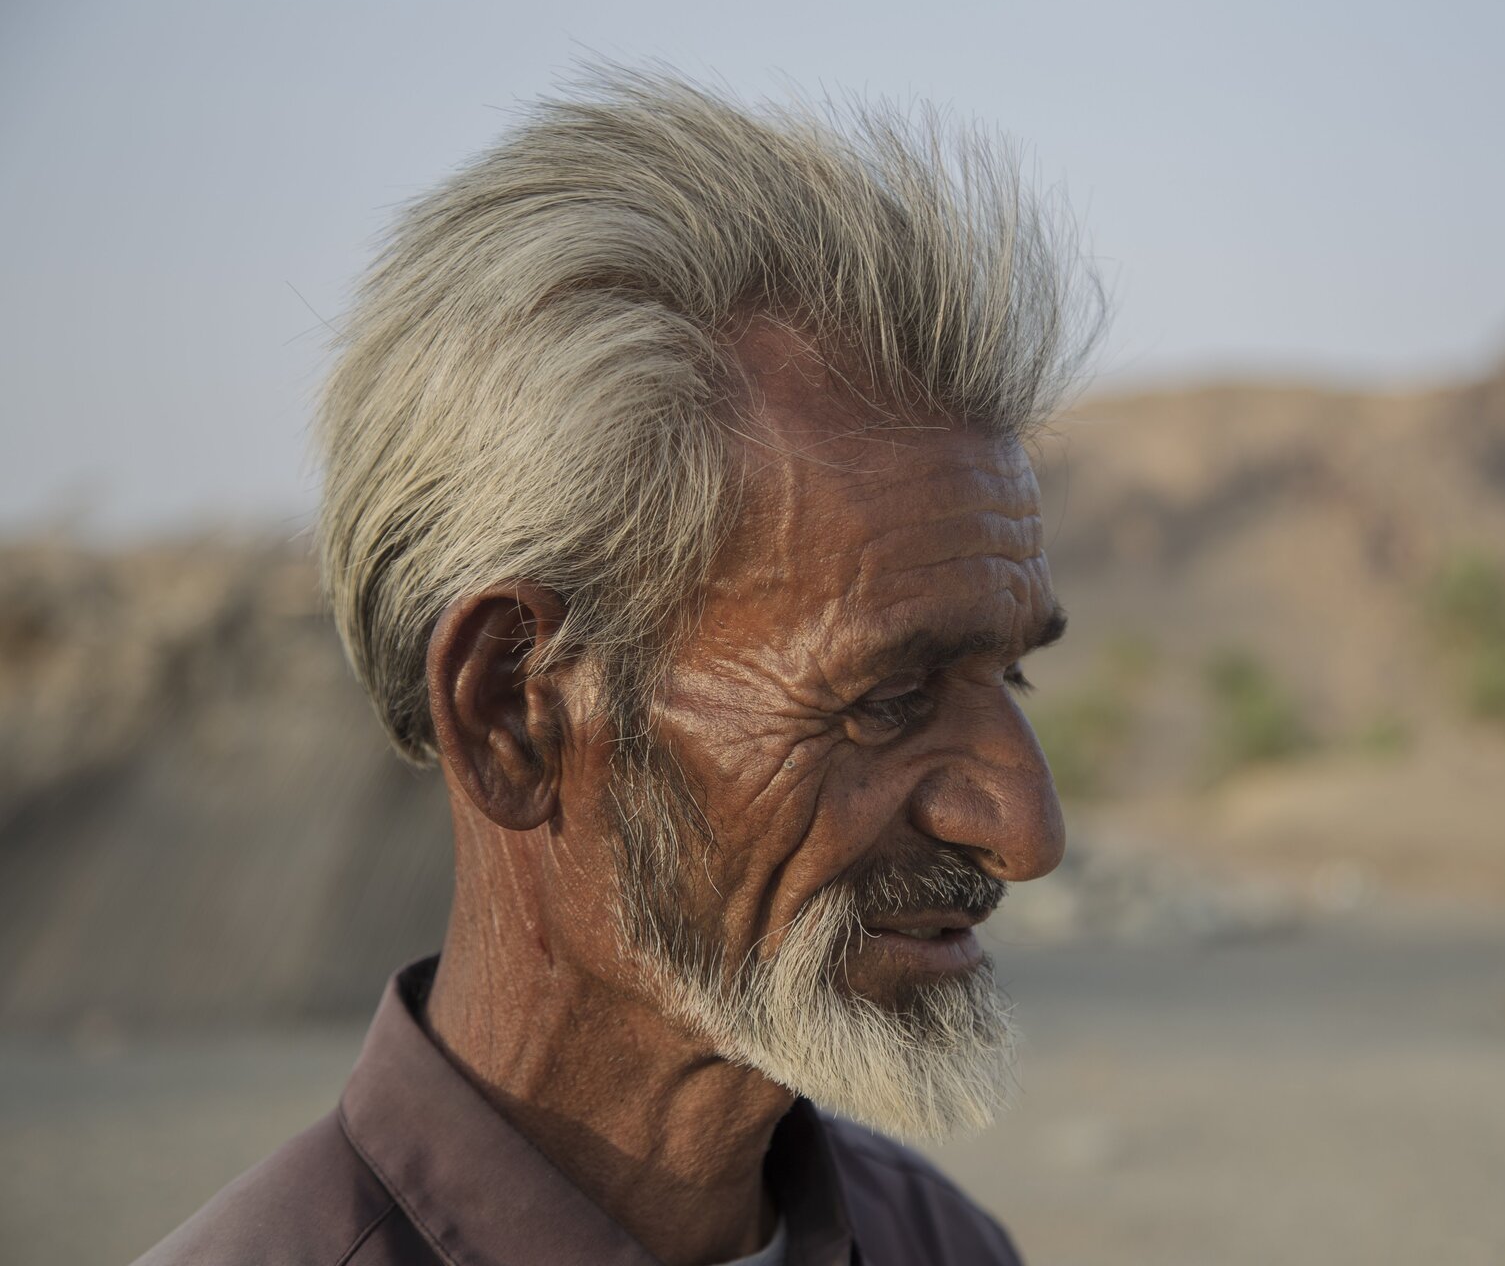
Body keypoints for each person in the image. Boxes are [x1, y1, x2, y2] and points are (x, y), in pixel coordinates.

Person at [136, 68, 1101, 1266]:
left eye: (1009, 677)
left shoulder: (941, 1245)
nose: (1025, 829)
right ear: (516, 713)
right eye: (889, 699)